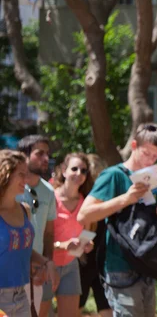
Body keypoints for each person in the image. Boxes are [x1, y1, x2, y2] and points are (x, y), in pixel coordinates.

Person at [77, 123, 157, 317]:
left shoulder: (152, 178)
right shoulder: (113, 175)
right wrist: (126, 199)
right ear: (134, 146)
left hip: (146, 265)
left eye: (155, 156)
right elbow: (84, 215)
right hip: (118, 267)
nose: (150, 160)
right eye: (146, 153)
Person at [0, 150, 56, 317]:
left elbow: (21, 248)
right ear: (6, 174)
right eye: (21, 174)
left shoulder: (25, 210)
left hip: (22, 294)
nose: (26, 180)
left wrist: (46, 263)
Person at [40, 153, 95, 317]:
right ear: (63, 170)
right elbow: (39, 237)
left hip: (71, 265)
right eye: (74, 169)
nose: (79, 174)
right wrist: (62, 245)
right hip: (46, 265)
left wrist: (86, 244)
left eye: (83, 171)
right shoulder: (50, 198)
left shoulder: (85, 201)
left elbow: (87, 231)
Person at [15, 135, 59, 315]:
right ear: (23, 155)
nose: (46, 159)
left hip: (36, 272)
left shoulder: (49, 191)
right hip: (10, 269)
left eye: (47, 154)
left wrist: (45, 264)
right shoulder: (8, 186)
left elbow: (49, 233)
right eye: (39, 153)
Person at [78, 154, 112, 317]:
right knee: (104, 307)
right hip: (93, 258)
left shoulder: (90, 198)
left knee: (103, 307)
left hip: (94, 259)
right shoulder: (94, 198)